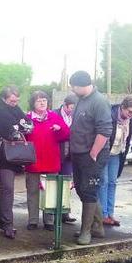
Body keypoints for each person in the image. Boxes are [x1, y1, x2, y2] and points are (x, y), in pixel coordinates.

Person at [68, 71, 112, 245]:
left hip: (92, 154)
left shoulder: (99, 101)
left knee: (89, 190)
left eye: (73, 86)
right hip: (78, 152)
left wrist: (94, 152)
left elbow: (105, 130)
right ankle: (98, 227)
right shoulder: (80, 100)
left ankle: (85, 231)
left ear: (80, 85)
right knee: (80, 188)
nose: (72, 90)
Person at [0, 85, 31, 239]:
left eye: (17, 100)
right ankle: (7, 224)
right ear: (4, 98)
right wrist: (19, 127)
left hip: (10, 154)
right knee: (7, 188)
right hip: (2, 155)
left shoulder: (14, 108)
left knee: (4, 189)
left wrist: (19, 127)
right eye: (12, 100)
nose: (15, 103)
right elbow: (10, 131)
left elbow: (27, 124)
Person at [24, 90, 70, 230]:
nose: (42, 102)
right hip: (33, 161)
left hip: (51, 161)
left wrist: (59, 129)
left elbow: (67, 134)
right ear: (33, 103)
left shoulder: (54, 116)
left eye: (44, 100)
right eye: (39, 100)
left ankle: (48, 221)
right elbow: (21, 137)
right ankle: (33, 220)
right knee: (32, 192)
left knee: (50, 192)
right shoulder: (27, 118)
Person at [98, 96, 132, 227]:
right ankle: (103, 214)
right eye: (130, 111)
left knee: (113, 182)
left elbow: (127, 140)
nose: (131, 115)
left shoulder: (130, 120)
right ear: (122, 107)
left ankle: (110, 213)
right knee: (103, 182)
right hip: (104, 153)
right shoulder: (109, 115)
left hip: (117, 153)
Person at [58, 94, 77, 224]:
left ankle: (65, 213)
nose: (72, 111)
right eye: (70, 108)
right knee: (52, 184)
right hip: (56, 154)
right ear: (64, 105)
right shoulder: (54, 114)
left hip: (70, 156)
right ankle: (53, 213)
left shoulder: (76, 116)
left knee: (66, 184)